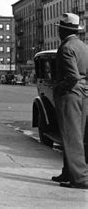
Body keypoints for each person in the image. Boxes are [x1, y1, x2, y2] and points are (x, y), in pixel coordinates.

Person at [51, 13, 88, 189]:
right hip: (83, 95)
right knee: (76, 135)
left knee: (71, 136)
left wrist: (59, 88)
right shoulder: (83, 46)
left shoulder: (66, 48)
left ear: (63, 30)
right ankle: (69, 172)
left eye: (59, 29)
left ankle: (80, 178)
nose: (58, 32)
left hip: (70, 95)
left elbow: (72, 76)